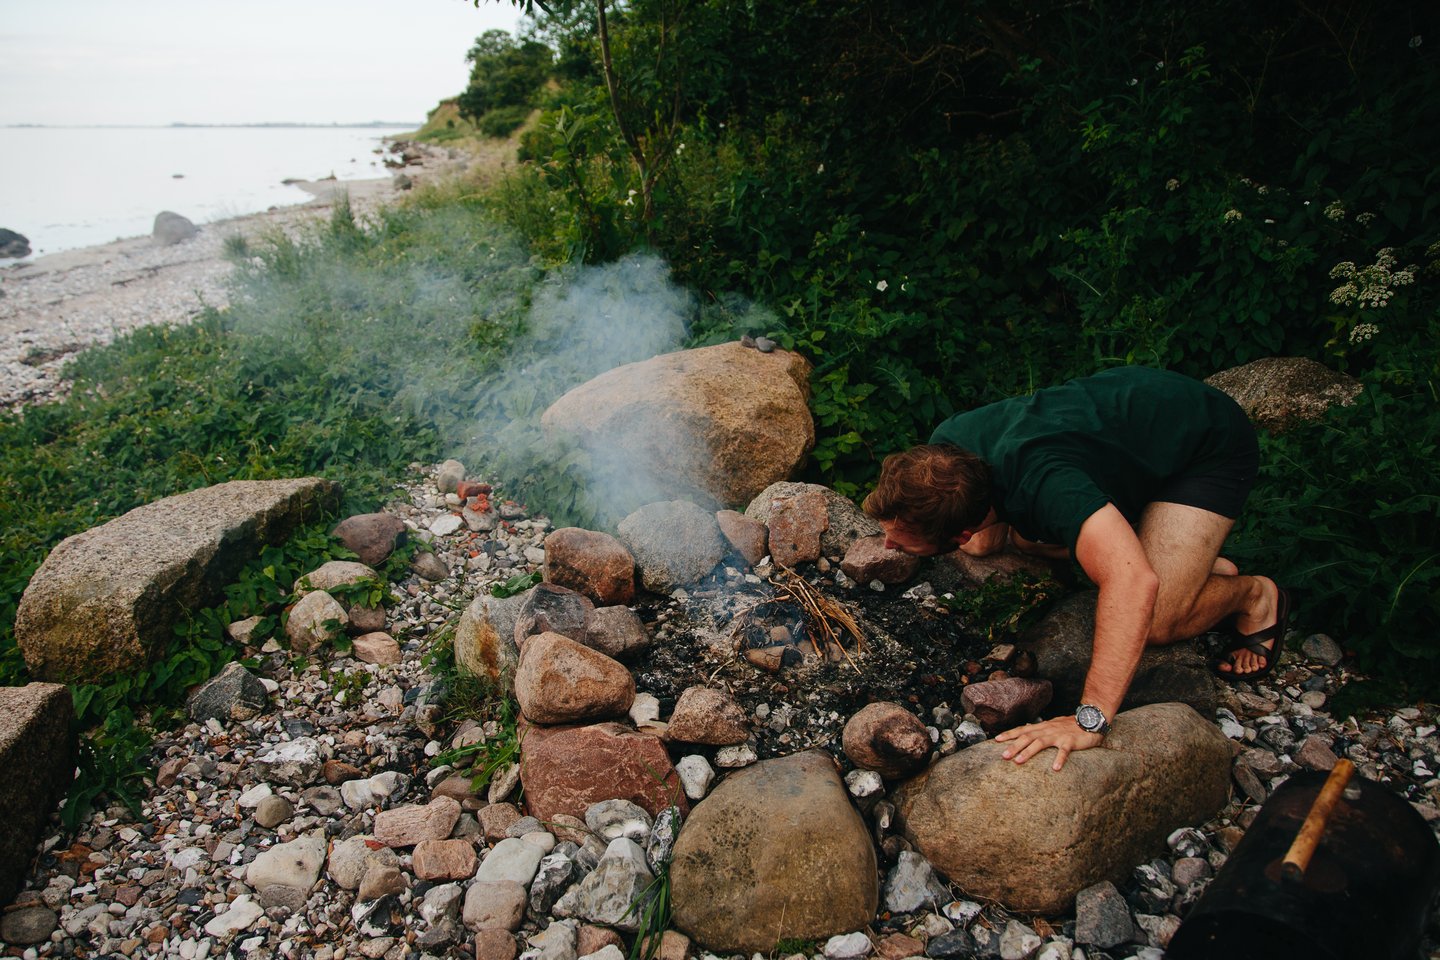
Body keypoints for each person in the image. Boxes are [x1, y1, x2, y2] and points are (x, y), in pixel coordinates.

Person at [862, 366, 1288, 771]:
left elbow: (1132, 582)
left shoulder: (1047, 486)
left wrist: (1091, 720)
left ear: (959, 532)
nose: (888, 544)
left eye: (899, 540)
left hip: (1202, 440)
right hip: (1125, 423)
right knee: (1030, 538)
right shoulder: (947, 449)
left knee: (1158, 615)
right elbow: (984, 533)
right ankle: (1172, 553)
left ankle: (1254, 594)